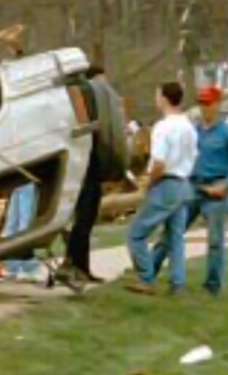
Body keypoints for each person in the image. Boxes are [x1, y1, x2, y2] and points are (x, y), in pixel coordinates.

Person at [154, 86, 228, 296]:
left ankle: (212, 286)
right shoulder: (194, 131)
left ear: (217, 105)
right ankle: (149, 271)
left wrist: (226, 184)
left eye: (208, 103)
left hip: (216, 189)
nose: (204, 108)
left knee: (215, 241)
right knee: (171, 231)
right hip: (192, 187)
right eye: (201, 103)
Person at [126, 82, 198, 296]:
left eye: (157, 95)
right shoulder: (189, 127)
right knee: (175, 237)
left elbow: (159, 163)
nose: (155, 98)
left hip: (165, 184)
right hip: (184, 184)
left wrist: (148, 183)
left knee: (137, 234)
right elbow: (192, 156)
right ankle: (178, 282)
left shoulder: (163, 127)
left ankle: (146, 278)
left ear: (164, 98)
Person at [58, 65, 120, 288]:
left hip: (92, 169)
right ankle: (74, 264)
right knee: (82, 220)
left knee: (87, 220)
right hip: (83, 169)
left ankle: (81, 266)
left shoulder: (94, 100)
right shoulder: (82, 95)